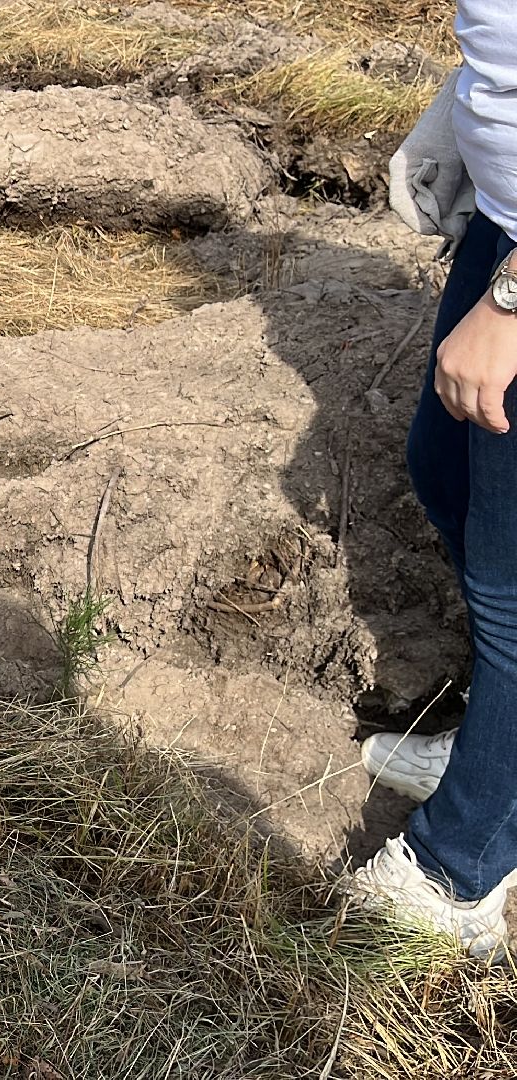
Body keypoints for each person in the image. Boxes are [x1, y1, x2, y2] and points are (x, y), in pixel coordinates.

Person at [349, 1, 517, 960]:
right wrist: (468, 114)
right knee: (441, 466)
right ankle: (498, 747)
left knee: (512, 584)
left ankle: (463, 866)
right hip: (503, 220)